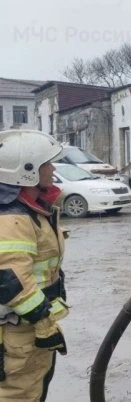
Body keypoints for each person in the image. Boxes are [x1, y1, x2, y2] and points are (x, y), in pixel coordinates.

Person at [0, 130, 69, 401]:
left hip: (26, 330)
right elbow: (10, 280)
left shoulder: (29, 209)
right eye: (46, 164)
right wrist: (42, 320)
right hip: (19, 334)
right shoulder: (11, 218)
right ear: (26, 172)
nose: (53, 168)